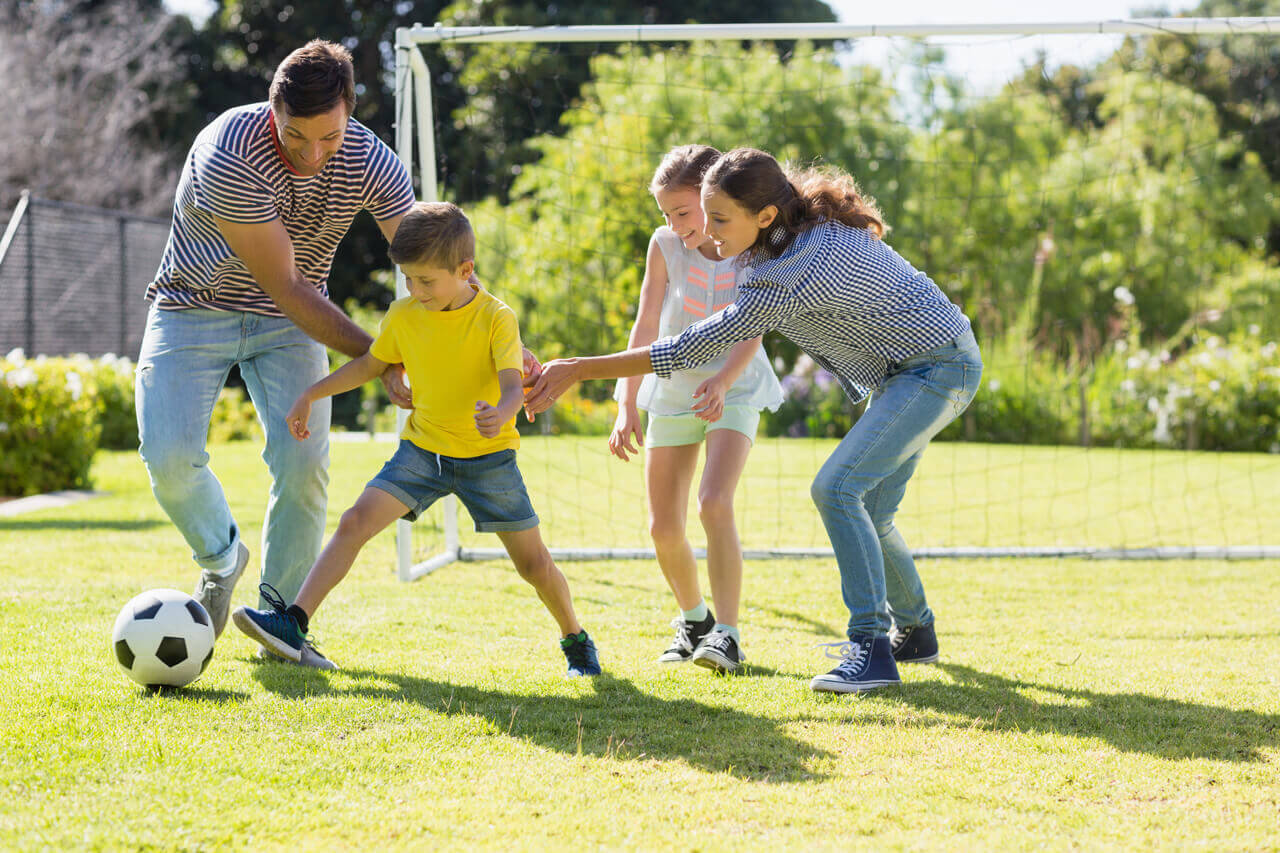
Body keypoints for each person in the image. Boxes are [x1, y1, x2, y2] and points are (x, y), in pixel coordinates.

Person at [134, 41, 536, 668]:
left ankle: (281, 618)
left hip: (290, 328)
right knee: (168, 458)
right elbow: (286, 287)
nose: (312, 155)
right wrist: (385, 357)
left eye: (328, 138)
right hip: (196, 306)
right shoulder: (230, 153)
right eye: (296, 136)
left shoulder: (370, 160)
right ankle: (221, 557)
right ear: (273, 107)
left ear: (350, 112)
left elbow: (437, 260)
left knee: (302, 466)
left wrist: (502, 336)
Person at [527, 148, 982, 693]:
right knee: (875, 510)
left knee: (836, 489)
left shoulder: (793, 267)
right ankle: (917, 631)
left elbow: (695, 345)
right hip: (915, 369)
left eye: (720, 219)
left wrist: (580, 369)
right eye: (704, 213)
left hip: (936, 369)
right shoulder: (787, 237)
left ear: (764, 215)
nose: (709, 232)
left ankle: (871, 649)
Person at [232, 202, 602, 678]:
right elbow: (370, 364)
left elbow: (513, 387)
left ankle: (576, 639)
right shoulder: (405, 314)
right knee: (354, 521)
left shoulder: (496, 318)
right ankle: (292, 624)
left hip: (487, 459)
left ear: (465, 271)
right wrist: (312, 392)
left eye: (426, 281)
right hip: (422, 453)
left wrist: (503, 413)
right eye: (408, 279)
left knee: (533, 565)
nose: (415, 290)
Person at [610, 145, 781, 674]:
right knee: (663, 527)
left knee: (713, 501)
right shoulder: (664, 246)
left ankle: (727, 635)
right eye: (666, 214)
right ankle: (694, 621)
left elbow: (752, 326)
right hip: (673, 389)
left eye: (682, 211)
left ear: (709, 197)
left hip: (736, 387)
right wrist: (627, 401)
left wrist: (724, 380)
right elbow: (645, 325)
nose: (675, 223)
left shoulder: (751, 246)